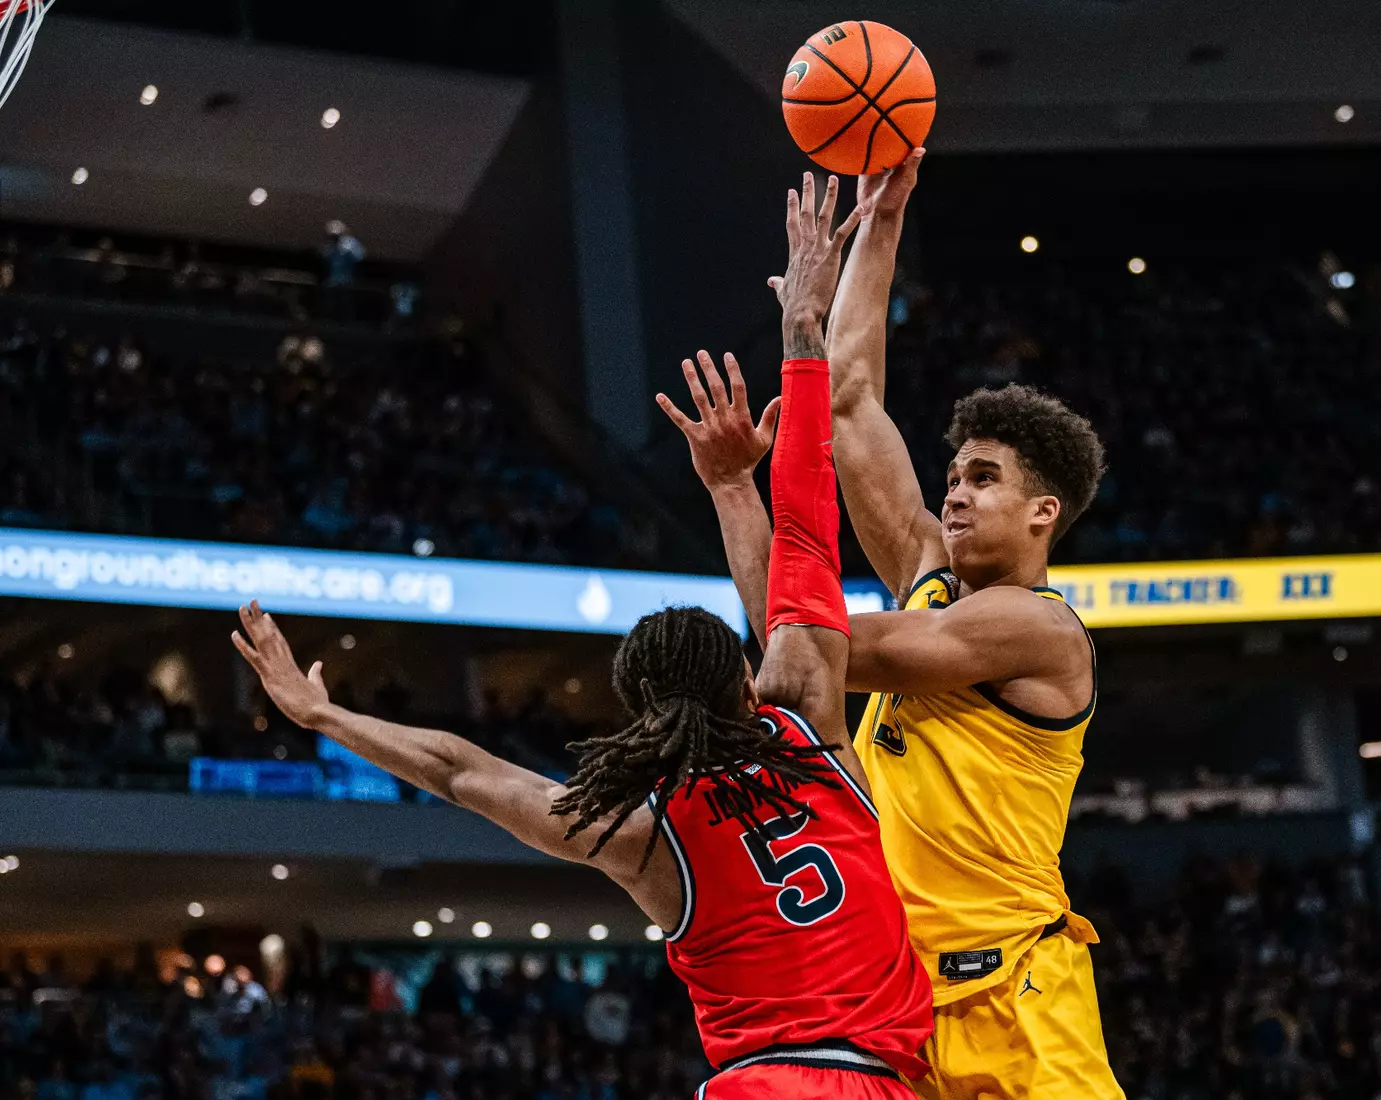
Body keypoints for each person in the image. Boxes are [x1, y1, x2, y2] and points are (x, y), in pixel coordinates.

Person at [234, 172, 931, 1099]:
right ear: (745, 670)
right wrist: (799, 334)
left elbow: (461, 770)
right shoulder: (806, 714)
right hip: (877, 1077)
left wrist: (324, 715)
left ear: (642, 713)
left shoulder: (645, 835)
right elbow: (808, 520)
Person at [832, 150, 1120, 1097]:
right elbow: (849, 400)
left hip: (1021, 1008)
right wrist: (883, 223)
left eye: (982, 479)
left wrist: (747, 513)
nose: (953, 493)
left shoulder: (1039, 631)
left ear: (1044, 513)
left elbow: (843, 651)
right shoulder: (928, 576)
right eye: (953, 475)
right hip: (900, 1006)